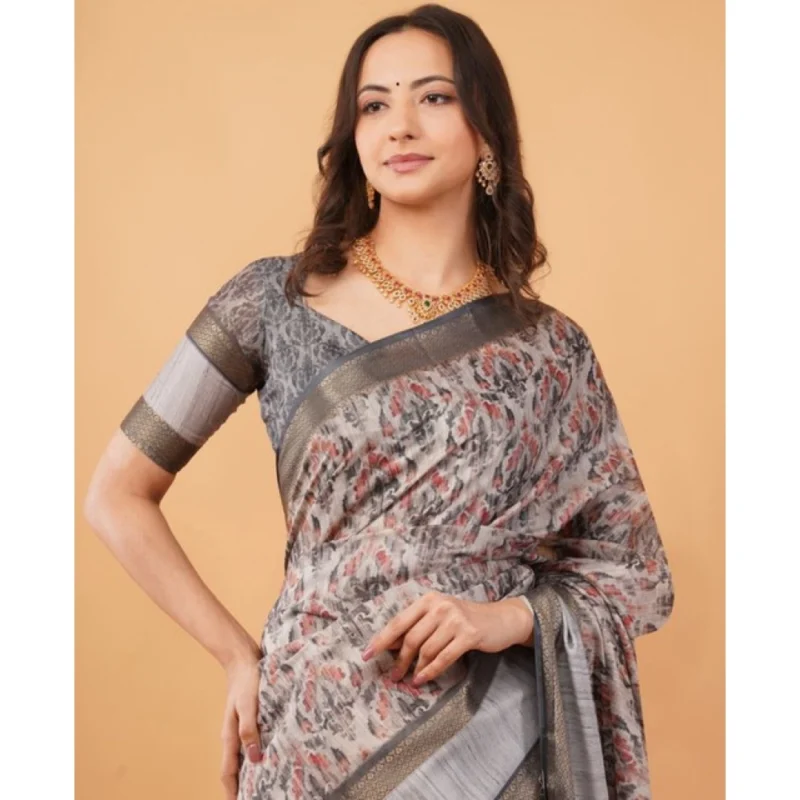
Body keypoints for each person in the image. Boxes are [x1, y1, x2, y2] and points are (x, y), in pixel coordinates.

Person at [84, 4, 674, 799]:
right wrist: (236, 655)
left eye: (434, 97)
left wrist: (504, 618)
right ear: (354, 137)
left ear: (487, 135)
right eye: (374, 104)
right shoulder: (272, 303)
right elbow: (115, 494)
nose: (400, 125)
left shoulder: (549, 351)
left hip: (492, 748)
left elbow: (633, 568)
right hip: (307, 733)